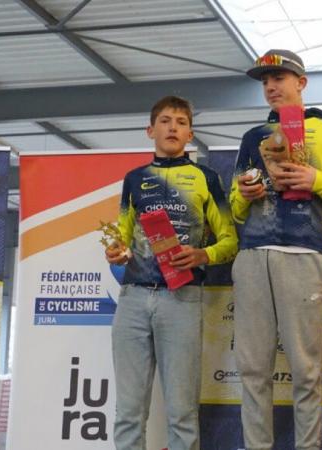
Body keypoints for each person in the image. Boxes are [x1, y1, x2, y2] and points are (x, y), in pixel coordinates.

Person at [229, 49, 322, 450]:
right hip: (252, 256)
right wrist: (246, 192)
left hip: (303, 254)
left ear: (301, 83)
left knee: (306, 371)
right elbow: (234, 210)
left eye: (279, 78)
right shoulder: (253, 137)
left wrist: (314, 178)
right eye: (265, 81)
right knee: (252, 370)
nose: (270, 86)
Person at [105, 95, 238, 450]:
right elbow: (121, 235)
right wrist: (116, 252)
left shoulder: (206, 178)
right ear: (151, 130)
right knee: (129, 411)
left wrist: (201, 255)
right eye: (165, 121)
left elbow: (229, 241)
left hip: (182, 299)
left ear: (190, 133)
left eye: (180, 122)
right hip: (133, 298)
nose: (172, 127)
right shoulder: (133, 179)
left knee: (181, 413)